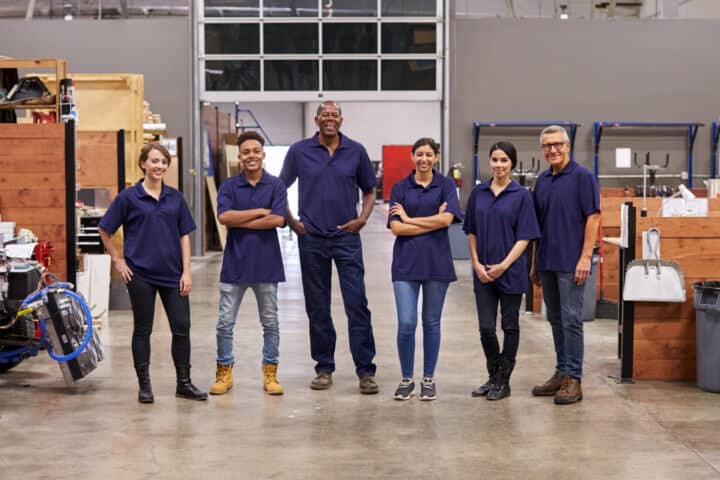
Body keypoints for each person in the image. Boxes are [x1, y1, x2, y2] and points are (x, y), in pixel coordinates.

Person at [279, 101, 378, 394]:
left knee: (357, 303)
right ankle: (324, 368)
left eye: (334, 115)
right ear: (316, 119)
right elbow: (279, 187)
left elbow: (370, 190)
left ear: (341, 119)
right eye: (325, 115)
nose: (330, 119)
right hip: (312, 239)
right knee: (318, 306)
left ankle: (365, 371)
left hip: (347, 237)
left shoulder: (356, 151)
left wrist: (362, 219)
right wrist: (293, 222)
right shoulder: (299, 151)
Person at [99, 143, 207, 404]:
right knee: (143, 329)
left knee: (181, 328)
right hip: (141, 275)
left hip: (173, 275)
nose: (160, 166)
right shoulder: (128, 197)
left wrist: (187, 272)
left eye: (163, 162)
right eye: (155, 161)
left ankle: (184, 383)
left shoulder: (175, 198)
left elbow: (184, 237)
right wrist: (118, 260)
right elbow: (105, 230)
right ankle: (144, 386)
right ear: (143, 164)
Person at [209, 131, 287, 396]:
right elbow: (224, 217)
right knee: (224, 323)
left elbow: (277, 220)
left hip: (267, 266)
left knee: (270, 323)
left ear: (262, 154)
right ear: (239, 156)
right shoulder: (229, 186)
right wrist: (258, 212)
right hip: (235, 265)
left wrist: (242, 220)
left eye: (256, 151)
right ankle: (224, 371)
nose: (251, 156)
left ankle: (270, 373)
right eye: (246, 152)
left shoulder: (275, 185)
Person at [464, 141, 540, 401]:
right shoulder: (479, 194)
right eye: (495, 160)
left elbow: (525, 237)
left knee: (509, 326)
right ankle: (493, 374)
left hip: (510, 271)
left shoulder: (521, 196)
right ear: (489, 162)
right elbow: (471, 232)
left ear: (512, 164)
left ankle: (504, 380)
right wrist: (475, 264)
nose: (498, 165)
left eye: (504, 161)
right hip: (482, 273)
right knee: (486, 327)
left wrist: (504, 265)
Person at [531, 125, 600, 405]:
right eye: (547, 145)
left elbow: (593, 218)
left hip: (572, 262)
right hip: (547, 261)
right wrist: (535, 263)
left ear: (568, 146)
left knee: (572, 320)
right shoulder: (543, 180)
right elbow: (536, 225)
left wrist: (585, 257)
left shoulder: (583, 177)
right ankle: (561, 372)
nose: (553, 150)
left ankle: (574, 379)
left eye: (558, 144)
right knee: (555, 319)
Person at [388, 137, 461, 401]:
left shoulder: (446, 185)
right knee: (407, 322)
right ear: (412, 156)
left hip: (436, 263)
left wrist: (410, 219)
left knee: (431, 322)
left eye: (429, 155)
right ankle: (406, 379)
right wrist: (430, 222)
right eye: (419, 154)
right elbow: (397, 228)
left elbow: (448, 220)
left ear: (436, 157)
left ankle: (428, 379)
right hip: (405, 264)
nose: (424, 159)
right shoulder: (400, 187)